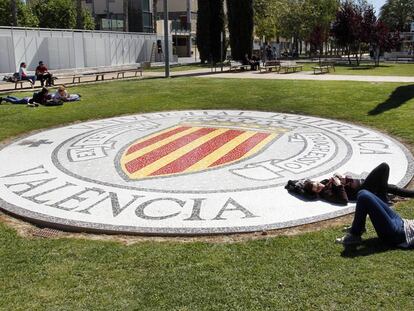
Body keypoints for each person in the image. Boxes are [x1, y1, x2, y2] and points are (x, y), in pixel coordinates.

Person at [285, 162, 414, 205]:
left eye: (317, 183)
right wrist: (339, 185)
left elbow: (345, 180)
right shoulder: (326, 194)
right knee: (384, 167)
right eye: (317, 188)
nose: (320, 185)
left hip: (363, 183)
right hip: (363, 189)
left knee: (392, 188)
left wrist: (340, 177)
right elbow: (344, 201)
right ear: (317, 193)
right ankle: (383, 197)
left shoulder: (324, 183)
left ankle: (384, 195)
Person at [336, 189, 414, 247]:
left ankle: (355, 235)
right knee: (362, 192)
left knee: (364, 197)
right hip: (403, 222)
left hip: (399, 235)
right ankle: (358, 228)